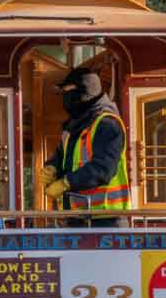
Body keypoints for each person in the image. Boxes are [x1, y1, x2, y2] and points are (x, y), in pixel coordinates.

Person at [39, 67, 131, 227]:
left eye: (68, 91)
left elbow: (103, 169)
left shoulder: (107, 124)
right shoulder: (74, 125)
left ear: (84, 92)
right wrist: (51, 168)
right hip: (76, 218)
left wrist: (66, 183)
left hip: (106, 220)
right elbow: (61, 156)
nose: (65, 97)